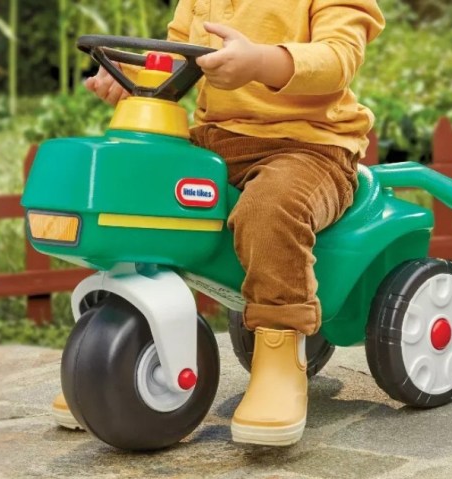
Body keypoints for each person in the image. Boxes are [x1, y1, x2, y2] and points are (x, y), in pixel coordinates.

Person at [51, 0, 385, 446]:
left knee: (269, 208)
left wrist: (262, 62)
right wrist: (133, 75)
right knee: (148, 183)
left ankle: (280, 350)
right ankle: (115, 343)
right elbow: (172, 54)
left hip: (308, 146)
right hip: (218, 141)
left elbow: (337, 58)